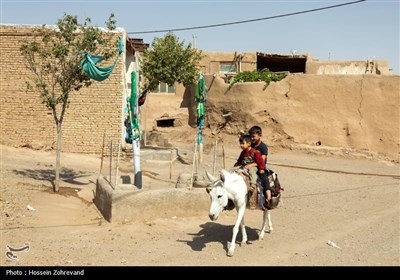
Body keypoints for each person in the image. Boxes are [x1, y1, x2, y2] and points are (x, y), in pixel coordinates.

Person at [248, 125, 272, 208]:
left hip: (260, 167)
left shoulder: (263, 147)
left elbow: (262, 160)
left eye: (254, 136)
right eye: (251, 136)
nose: (252, 138)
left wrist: (252, 164)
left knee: (264, 178)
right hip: (250, 166)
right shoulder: (250, 145)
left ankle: (268, 197)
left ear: (260, 135)